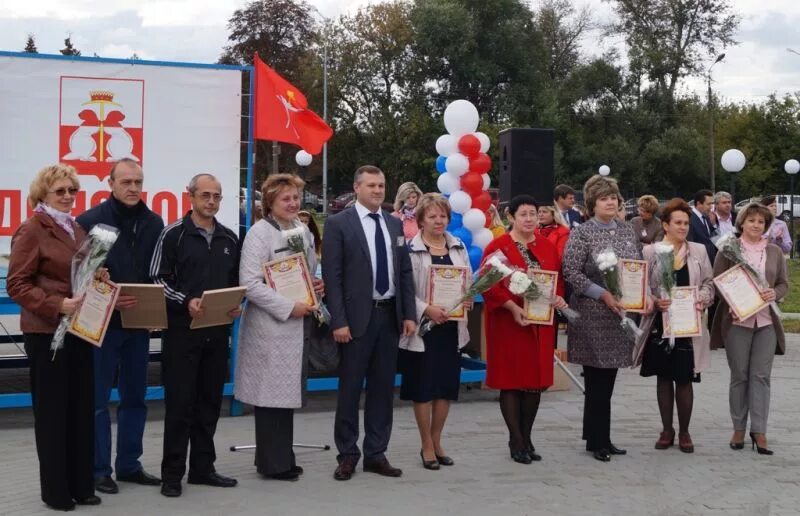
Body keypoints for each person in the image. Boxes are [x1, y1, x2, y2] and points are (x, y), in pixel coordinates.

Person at [7, 164, 101, 511]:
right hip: (46, 332)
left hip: (79, 331)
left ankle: (81, 484)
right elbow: (16, 284)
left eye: (71, 191)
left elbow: (82, 275)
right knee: (52, 413)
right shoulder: (32, 229)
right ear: (42, 195)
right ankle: (56, 491)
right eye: (59, 191)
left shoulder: (76, 228)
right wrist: (56, 304)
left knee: (80, 408)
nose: (67, 197)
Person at [322, 165, 417, 481]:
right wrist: (338, 319)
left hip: (388, 317)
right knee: (349, 390)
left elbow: (404, 271)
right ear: (357, 187)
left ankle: (376, 453)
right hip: (354, 321)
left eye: (382, 185)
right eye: (372, 185)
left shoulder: (394, 224)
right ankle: (348, 454)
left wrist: (408, 314)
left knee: (382, 390)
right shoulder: (338, 224)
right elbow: (332, 277)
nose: (378, 190)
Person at [150, 173, 242, 497]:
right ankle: (172, 475)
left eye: (217, 196)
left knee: (209, 403)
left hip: (217, 335)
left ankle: (203, 469)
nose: (212, 202)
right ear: (190, 196)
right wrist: (185, 301)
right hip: (181, 335)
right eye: (205, 195)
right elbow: (158, 280)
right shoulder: (173, 235)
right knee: (180, 405)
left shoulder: (230, 238)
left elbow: (236, 283)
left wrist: (235, 305)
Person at [75, 159, 164, 495]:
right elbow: (78, 277)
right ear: (110, 183)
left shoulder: (154, 223)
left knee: (135, 398)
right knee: (98, 400)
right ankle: (99, 469)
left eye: (138, 182)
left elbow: (159, 273)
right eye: (126, 182)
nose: (133, 188)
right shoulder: (90, 221)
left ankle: (129, 464)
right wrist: (107, 295)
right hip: (100, 324)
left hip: (138, 324)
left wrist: (158, 308)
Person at [235, 174, 325, 481]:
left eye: (296, 197)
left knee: (286, 394)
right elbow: (248, 283)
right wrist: (289, 307)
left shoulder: (301, 230)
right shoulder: (259, 234)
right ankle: (273, 464)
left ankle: (282, 456)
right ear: (270, 203)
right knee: (270, 395)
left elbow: (308, 271)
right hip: (271, 326)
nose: (293, 203)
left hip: (298, 325)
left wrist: (315, 286)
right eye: (285, 198)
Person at [562, 174, 644, 462]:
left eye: (614, 198)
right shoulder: (581, 232)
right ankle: (597, 440)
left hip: (619, 314)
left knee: (608, 378)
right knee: (596, 379)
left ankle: (600, 436)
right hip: (593, 314)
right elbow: (571, 272)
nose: (610, 202)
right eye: (604, 198)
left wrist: (636, 296)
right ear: (592, 204)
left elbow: (635, 266)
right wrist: (602, 294)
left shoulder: (625, 230)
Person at [483, 195, 568, 464]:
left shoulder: (546, 246)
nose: (529, 219)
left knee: (534, 383)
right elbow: (487, 285)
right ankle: (515, 439)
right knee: (511, 381)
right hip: (509, 322)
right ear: (511, 217)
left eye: (533, 213)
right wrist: (511, 306)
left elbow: (557, 280)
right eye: (523, 214)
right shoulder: (499, 247)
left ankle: (527, 436)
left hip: (540, 323)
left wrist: (559, 298)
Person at [632, 199, 714, 453]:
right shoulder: (651, 252)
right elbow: (642, 286)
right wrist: (655, 301)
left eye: (686, 223)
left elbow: (709, 283)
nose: (683, 227)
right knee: (664, 377)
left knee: (685, 378)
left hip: (689, 325)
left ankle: (685, 432)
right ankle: (667, 429)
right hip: (661, 323)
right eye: (677, 223)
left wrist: (702, 298)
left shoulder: (698, 251)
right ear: (665, 225)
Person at [398, 193, 471, 470]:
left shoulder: (458, 246)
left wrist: (466, 299)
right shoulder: (410, 249)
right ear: (421, 220)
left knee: (445, 388)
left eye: (442, 216)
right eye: (432, 216)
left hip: (451, 327)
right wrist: (426, 309)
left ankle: (437, 440)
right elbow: (405, 290)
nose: (438, 221)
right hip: (424, 329)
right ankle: (425, 444)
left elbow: (469, 279)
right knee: (423, 388)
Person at [710, 202, 788, 455]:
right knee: (739, 376)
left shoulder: (774, 251)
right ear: (741, 222)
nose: (756, 225)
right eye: (752, 220)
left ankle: (760, 431)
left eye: (761, 222)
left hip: (765, 323)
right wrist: (732, 299)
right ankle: (739, 428)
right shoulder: (729, 250)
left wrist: (772, 293)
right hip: (737, 321)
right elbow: (718, 282)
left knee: (761, 377)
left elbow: (784, 284)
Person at [687, 189, 718, 264]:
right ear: (699, 204)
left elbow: (710, 238)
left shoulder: (707, 217)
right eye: (708, 204)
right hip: (698, 263)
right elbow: (690, 245)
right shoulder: (689, 220)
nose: (711, 207)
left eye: (712, 204)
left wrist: (714, 224)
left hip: (710, 261)